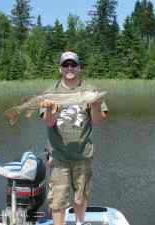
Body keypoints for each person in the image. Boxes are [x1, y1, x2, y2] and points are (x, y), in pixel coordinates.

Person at [39, 51, 108, 225]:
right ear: (60, 69)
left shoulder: (90, 90)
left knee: (81, 197)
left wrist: (97, 104)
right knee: (57, 201)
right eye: (65, 65)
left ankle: (79, 223)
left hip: (83, 155)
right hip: (59, 156)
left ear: (79, 68)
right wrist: (48, 109)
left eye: (73, 65)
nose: (69, 68)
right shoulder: (51, 91)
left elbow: (98, 121)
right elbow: (49, 122)